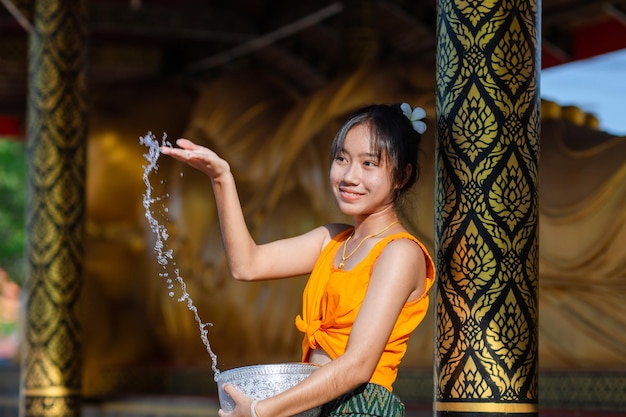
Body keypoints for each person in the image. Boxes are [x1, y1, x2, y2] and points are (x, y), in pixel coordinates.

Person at [160, 103, 435, 417]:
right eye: (342, 159)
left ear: (402, 175)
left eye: (369, 163)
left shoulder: (400, 252)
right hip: (312, 406)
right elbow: (247, 265)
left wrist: (260, 411)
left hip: (360, 409)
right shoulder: (332, 240)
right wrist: (222, 178)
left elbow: (358, 365)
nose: (349, 176)